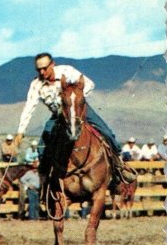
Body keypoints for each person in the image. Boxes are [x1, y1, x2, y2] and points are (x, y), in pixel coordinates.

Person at [12, 52, 134, 189]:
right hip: (59, 116)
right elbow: (29, 107)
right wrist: (20, 132)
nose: (42, 72)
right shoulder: (36, 84)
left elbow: (89, 84)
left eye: (45, 68)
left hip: (79, 110)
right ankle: (46, 181)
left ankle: (119, 166)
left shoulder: (67, 71)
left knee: (106, 132)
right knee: (42, 147)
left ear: (52, 64)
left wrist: (76, 99)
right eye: (38, 69)